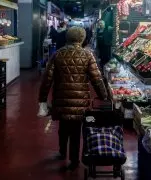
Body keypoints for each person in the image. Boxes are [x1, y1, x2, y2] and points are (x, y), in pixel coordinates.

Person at [38, 27, 108, 170]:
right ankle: (74, 160)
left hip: (61, 100)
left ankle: (62, 151)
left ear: (67, 38)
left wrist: (42, 99)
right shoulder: (87, 55)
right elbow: (97, 79)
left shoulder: (57, 54)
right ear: (82, 39)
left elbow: (47, 80)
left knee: (63, 128)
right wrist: (104, 95)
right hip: (80, 101)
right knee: (76, 131)